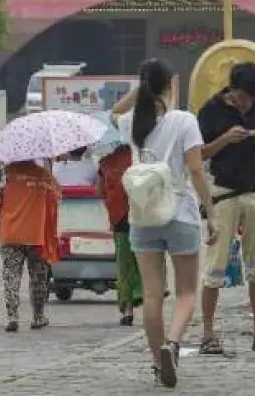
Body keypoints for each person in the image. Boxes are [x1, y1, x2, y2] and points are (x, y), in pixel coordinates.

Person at [116, 58, 214, 388]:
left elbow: (114, 111)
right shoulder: (184, 121)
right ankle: (172, 343)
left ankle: (158, 365)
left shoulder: (129, 122)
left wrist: (138, 90)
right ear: (170, 85)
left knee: (151, 294)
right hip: (181, 213)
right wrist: (211, 213)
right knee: (186, 292)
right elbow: (196, 170)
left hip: (143, 216)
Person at [197, 61, 255, 355]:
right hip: (223, 193)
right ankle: (208, 333)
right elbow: (198, 153)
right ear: (232, 89)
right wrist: (224, 139)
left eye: (252, 98)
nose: (247, 103)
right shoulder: (211, 110)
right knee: (215, 266)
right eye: (243, 97)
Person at [0, 159, 61, 332]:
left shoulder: (4, 174)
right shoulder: (44, 176)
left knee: (11, 276)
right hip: (36, 233)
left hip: (10, 233)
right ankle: (38, 316)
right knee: (38, 277)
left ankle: (12, 316)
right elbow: (56, 200)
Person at [95, 142, 143, 325]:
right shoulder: (139, 157)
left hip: (119, 218)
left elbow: (100, 191)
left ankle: (127, 308)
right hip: (142, 215)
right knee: (146, 260)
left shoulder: (105, 162)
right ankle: (152, 300)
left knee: (124, 264)